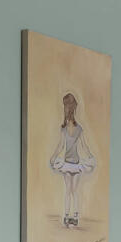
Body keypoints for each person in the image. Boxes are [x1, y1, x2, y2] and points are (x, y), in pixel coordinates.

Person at [49, 93, 95, 230]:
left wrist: (91, 157)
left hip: (76, 164)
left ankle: (74, 217)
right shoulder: (63, 129)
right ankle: (67, 215)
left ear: (72, 109)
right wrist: (53, 156)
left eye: (69, 107)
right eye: (67, 108)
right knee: (69, 190)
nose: (68, 110)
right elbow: (60, 146)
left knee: (73, 191)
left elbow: (84, 146)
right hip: (67, 163)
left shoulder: (79, 129)